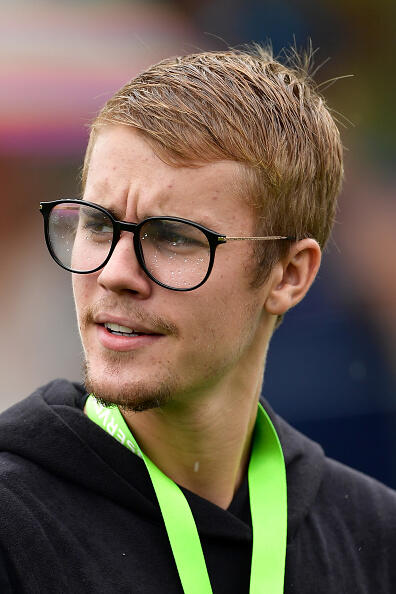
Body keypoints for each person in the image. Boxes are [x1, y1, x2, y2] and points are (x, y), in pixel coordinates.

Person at [1, 46, 395, 594]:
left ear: (288, 276)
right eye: (97, 224)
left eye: (172, 237)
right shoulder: (13, 524)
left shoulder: (376, 538)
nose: (115, 274)